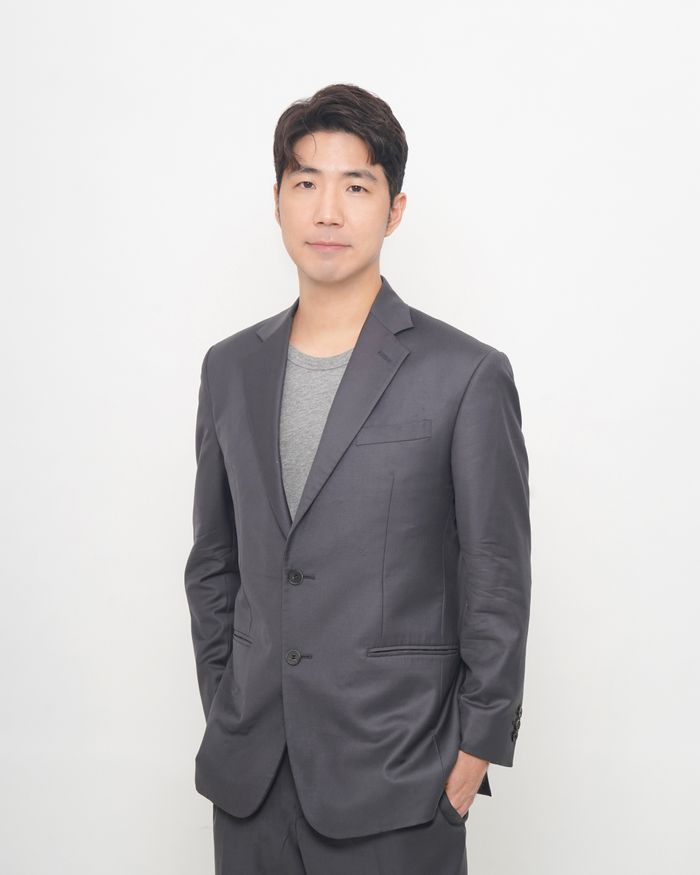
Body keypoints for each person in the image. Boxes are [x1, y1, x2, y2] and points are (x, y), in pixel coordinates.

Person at [184, 82, 532, 874]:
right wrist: (230, 701)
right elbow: (214, 563)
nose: (327, 211)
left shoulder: (465, 374)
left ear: (394, 209)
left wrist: (476, 747)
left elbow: (496, 574)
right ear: (278, 201)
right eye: (306, 182)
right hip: (252, 780)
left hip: (401, 781)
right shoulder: (230, 369)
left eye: (356, 186)